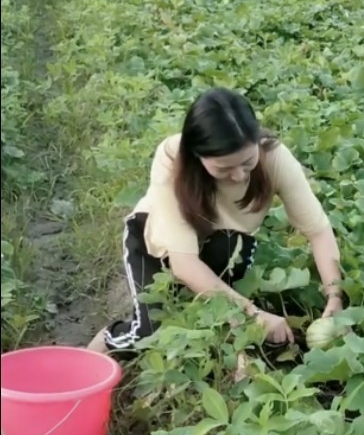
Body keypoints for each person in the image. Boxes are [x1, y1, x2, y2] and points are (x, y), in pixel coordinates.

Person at [88, 87, 342, 355]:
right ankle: (103, 343)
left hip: (224, 245)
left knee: (216, 316)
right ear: (197, 155)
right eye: (223, 169)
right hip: (155, 243)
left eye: (247, 162)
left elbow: (318, 231)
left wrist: (334, 295)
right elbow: (184, 263)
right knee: (151, 334)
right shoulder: (173, 159)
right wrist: (253, 314)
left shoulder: (274, 157)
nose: (239, 176)